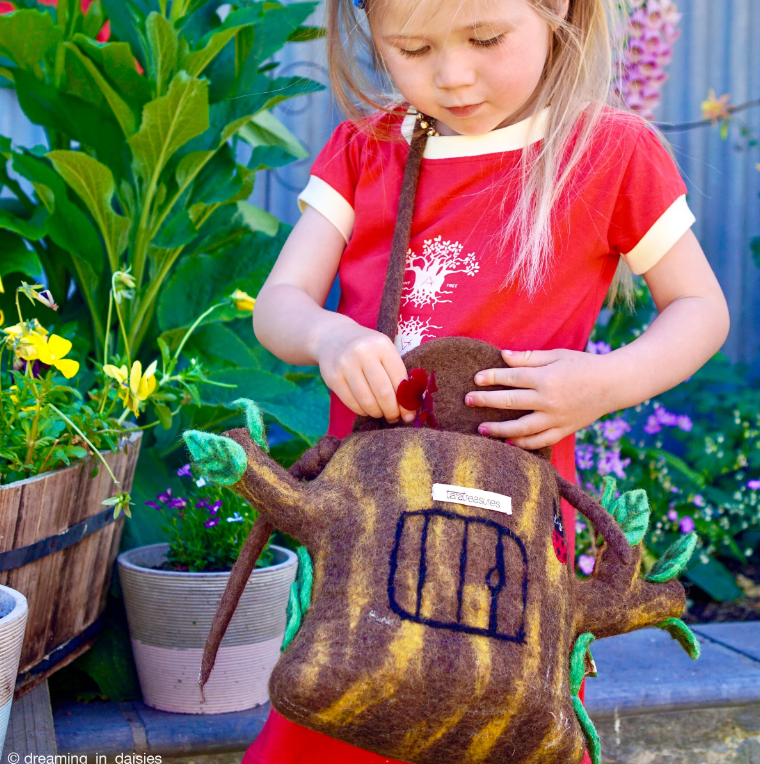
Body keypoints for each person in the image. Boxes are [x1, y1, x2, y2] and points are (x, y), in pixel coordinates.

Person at [246, 0, 730, 761]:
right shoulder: (366, 149)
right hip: (366, 523)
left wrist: (606, 381)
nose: (452, 74)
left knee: (502, 713)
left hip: (512, 528)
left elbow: (700, 308)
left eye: (486, 38)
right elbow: (279, 305)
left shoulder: (607, 151)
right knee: (334, 704)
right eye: (410, 47)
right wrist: (327, 334)